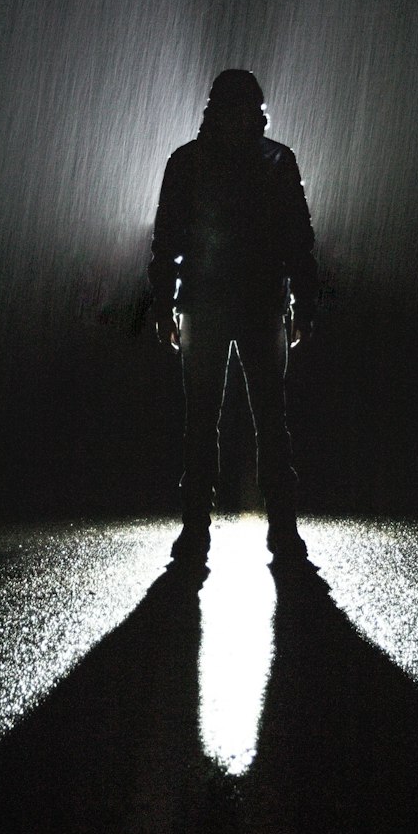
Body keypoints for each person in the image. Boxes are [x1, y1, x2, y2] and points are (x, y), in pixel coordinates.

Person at [149, 69, 317, 563]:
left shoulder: (188, 161)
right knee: (267, 416)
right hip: (257, 302)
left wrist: (163, 304)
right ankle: (280, 527)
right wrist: (302, 303)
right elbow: (298, 240)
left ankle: (197, 528)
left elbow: (167, 241)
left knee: (204, 418)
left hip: (209, 302)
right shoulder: (276, 160)